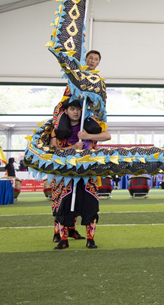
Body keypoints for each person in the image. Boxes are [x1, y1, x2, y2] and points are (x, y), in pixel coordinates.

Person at [49, 100, 111, 250]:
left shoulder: (89, 124)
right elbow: (53, 150)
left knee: (91, 205)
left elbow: (107, 135)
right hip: (66, 175)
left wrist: (87, 135)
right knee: (64, 206)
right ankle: (63, 240)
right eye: (72, 109)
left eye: (78, 109)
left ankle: (91, 240)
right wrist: (73, 147)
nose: (75, 112)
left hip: (88, 173)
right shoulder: (57, 128)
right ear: (66, 111)